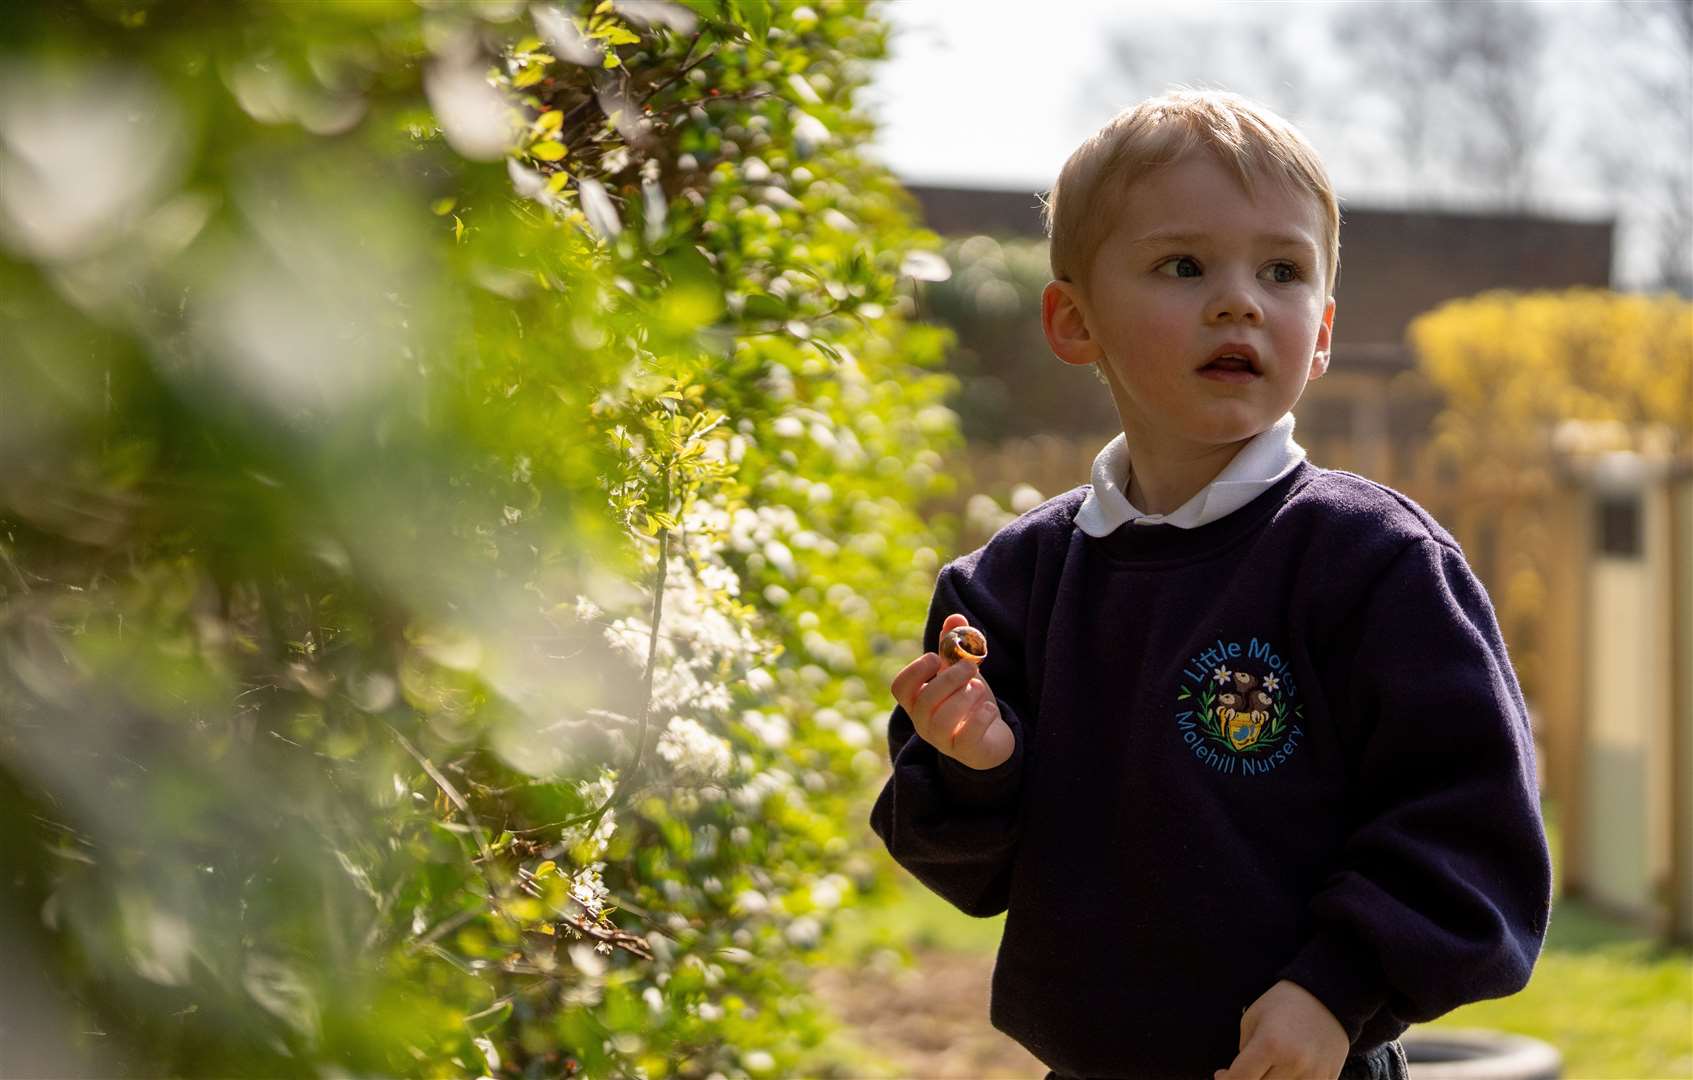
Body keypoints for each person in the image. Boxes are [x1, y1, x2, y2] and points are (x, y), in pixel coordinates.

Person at [867, 89, 1553, 1080]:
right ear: (1074, 319)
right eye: (1183, 265)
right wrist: (980, 763)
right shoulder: (1011, 584)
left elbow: (1469, 822)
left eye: (1280, 270)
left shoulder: (1373, 563)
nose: (1238, 300)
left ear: (1317, 333)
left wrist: (1337, 987)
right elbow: (969, 870)